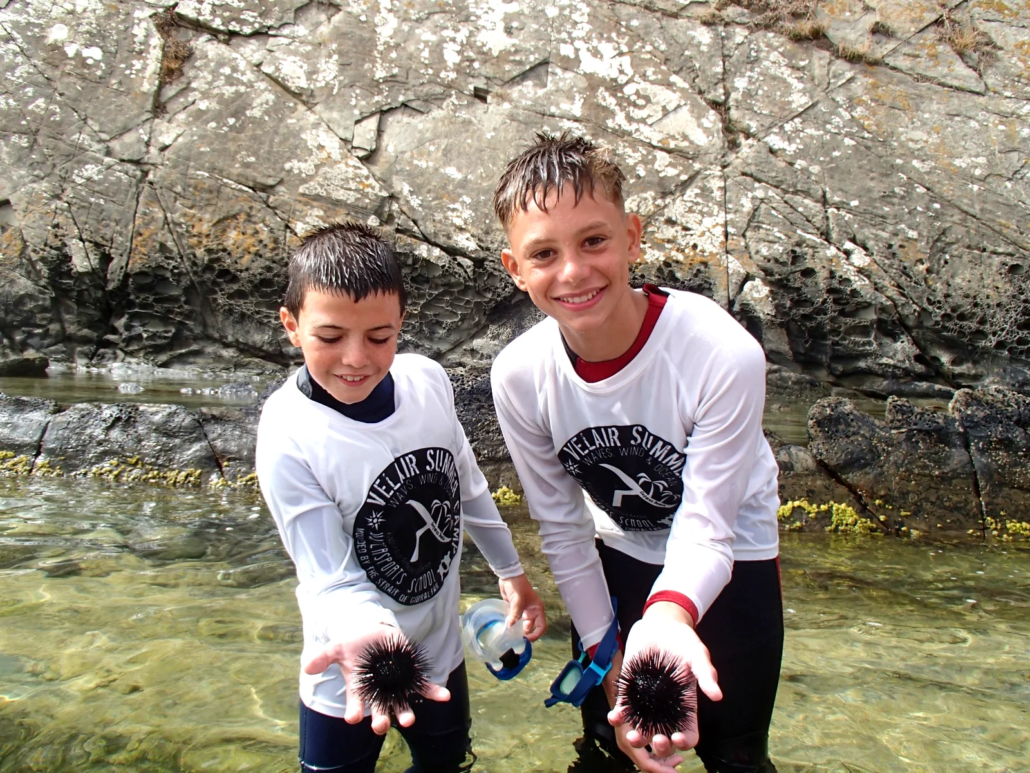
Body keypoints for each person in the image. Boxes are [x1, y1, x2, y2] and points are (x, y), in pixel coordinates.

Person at [489, 133, 783, 773]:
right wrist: (604, 648)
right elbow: (563, 528)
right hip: (614, 555)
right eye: (544, 253)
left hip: (735, 558)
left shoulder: (720, 354)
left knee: (733, 751)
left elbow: (708, 528)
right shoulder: (518, 375)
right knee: (609, 746)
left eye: (594, 240)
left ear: (632, 236)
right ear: (515, 268)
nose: (573, 271)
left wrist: (666, 618)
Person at [256, 222, 547, 773]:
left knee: (447, 764)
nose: (356, 358)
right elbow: (329, 576)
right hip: (351, 658)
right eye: (330, 336)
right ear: (292, 326)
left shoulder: (426, 381)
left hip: (439, 650)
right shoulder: (287, 432)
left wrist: (511, 570)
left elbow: (465, 484)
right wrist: (375, 634)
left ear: (401, 326)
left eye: (379, 337)